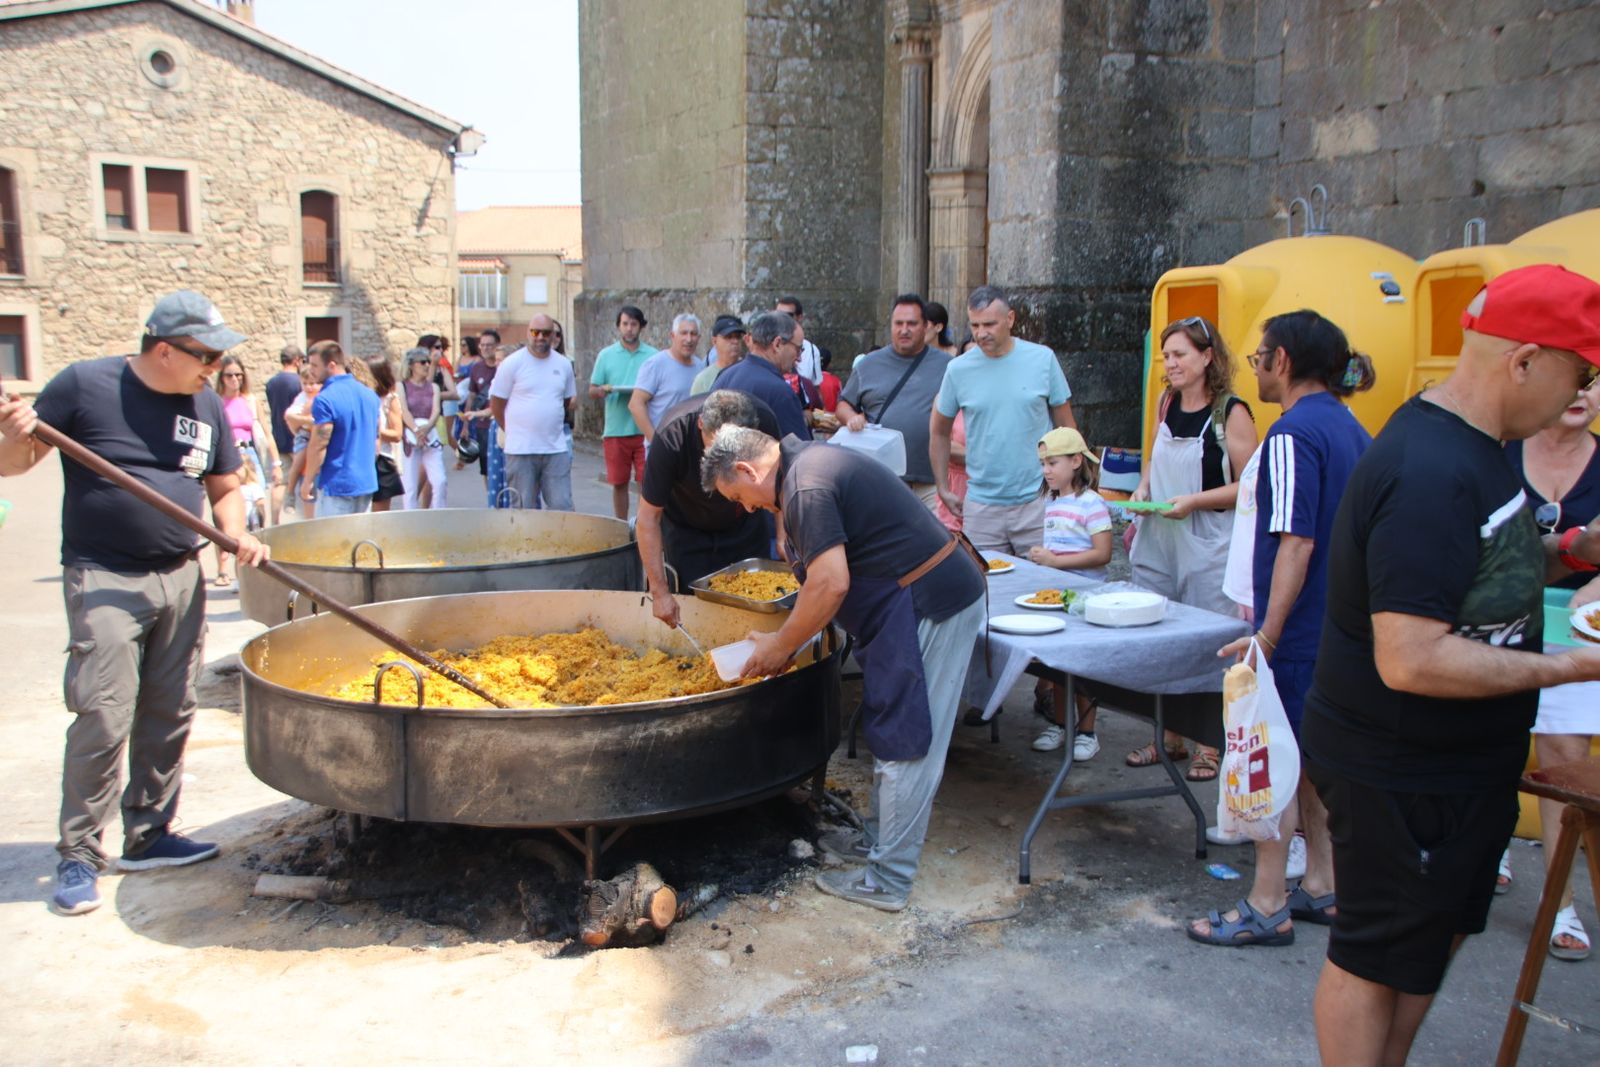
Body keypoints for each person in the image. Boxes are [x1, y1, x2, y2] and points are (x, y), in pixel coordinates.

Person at [1300, 265, 1600, 1066]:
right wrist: (1574, 668)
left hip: (1453, 767)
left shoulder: (1477, 445)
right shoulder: (1431, 467)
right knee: (1375, 957)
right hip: (1402, 767)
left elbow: (1472, 561)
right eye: (1585, 371)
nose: (1586, 392)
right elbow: (1411, 656)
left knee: (1423, 946)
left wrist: (1570, 550)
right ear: (1526, 360)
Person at [0, 290, 268, 916]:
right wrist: (13, 436)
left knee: (171, 708)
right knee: (103, 711)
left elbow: (224, 484)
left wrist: (238, 531)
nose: (216, 367)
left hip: (181, 573)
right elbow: (16, 463)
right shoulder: (84, 386)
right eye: (207, 355)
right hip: (105, 578)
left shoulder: (203, 401)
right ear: (166, 349)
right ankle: (80, 854)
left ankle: (149, 834)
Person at [702, 425, 986, 912]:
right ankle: (876, 840)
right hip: (902, 603)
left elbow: (830, 583)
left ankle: (888, 879)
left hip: (927, 603)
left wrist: (781, 648)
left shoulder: (806, 485)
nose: (746, 508)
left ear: (749, 469)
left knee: (908, 738)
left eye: (739, 495)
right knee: (890, 726)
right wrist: (780, 638)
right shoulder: (804, 469)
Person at [1187, 310, 1374, 949]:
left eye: (1262, 355)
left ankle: (1268, 902)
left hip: (1298, 631)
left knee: (1272, 764)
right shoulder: (1350, 425)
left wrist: (1266, 636)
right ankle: (1322, 882)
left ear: (1283, 362)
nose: (1257, 365)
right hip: (1339, 627)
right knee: (1311, 762)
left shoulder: (1292, 435)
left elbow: (1296, 540)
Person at [1125, 315, 1258, 783]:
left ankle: (1211, 744)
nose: (1171, 364)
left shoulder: (1231, 412)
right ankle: (1168, 737)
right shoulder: (1166, 402)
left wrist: (1196, 501)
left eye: (1180, 354)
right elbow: (1152, 460)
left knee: (1213, 644)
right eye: (1167, 356)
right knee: (1164, 639)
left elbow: (1249, 487)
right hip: (1163, 538)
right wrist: (1143, 489)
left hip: (1209, 542)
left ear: (1207, 357)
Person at [1498, 376, 1600, 961]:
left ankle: (1559, 902)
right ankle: (1495, 848)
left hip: (1577, 642)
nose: (1582, 393)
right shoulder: (1500, 454)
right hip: (1499, 632)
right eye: (1574, 380)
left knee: (1564, 759)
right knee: (1496, 747)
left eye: (1595, 383)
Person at [930, 286, 1075, 554]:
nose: (981, 333)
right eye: (975, 325)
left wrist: (1069, 484)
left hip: (1038, 500)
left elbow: (1066, 426)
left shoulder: (1042, 359)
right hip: (981, 505)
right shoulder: (958, 369)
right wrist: (942, 487)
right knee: (987, 589)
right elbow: (939, 431)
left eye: (989, 324)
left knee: (1044, 588)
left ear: (1010, 319)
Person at [638, 389, 783, 627]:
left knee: (756, 605)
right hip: (688, 530)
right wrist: (660, 593)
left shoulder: (763, 419)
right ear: (700, 424)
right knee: (698, 614)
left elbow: (780, 479)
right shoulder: (671, 436)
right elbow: (647, 518)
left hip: (744, 525)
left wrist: (783, 535)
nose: (724, 461)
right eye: (716, 448)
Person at [1026, 427, 1113, 756]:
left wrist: (1054, 561)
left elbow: (1102, 553)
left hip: (1086, 599)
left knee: (1083, 667)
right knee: (1058, 666)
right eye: (1043, 464)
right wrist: (1044, 560)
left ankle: (1087, 732)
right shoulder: (1052, 502)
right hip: (1058, 596)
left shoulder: (1092, 503)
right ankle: (1060, 725)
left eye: (1053, 463)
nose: (1046, 470)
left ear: (1077, 461)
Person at [837, 294, 952, 508]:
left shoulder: (948, 366)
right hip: (881, 479)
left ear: (926, 326)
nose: (904, 329)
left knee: (933, 541)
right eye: (898, 323)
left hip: (932, 482)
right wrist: (851, 418)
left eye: (912, 323)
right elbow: (843, 404)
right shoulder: (868, 365)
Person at [490, 314, 577, 511]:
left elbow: (565, 401)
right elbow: (497, 403)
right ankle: (522, 543)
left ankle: (557, 543)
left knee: (562, 506)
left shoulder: (563, 365)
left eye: (545, 333)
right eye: (535, 332)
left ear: (553, 336)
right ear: (528, 333)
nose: (540, 337)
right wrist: (510, 429)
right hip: (521, 449)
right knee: (522, 508)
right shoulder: (512, 363)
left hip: (555, 448)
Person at [212, 354, 279, 586]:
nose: (234, 380)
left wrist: (276, 463)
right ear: (221, 378)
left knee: (255, 512)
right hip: (227, 457)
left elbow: (265, 432)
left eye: (238, 375)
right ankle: (223, 568)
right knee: (226, 511)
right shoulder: (216, 401)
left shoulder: (250, 400)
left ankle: (253, 571)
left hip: (250, 457)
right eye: (229, 375)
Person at [589, 305, 656, 519]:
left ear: (641, 327)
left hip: (644, 428)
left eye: (633, 324)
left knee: (647, 483)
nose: (629, 329)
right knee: (619, 482)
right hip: (616, 429)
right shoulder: (606, 355)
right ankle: (620, 523)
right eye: (625, 324)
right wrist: (602, 390)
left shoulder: (653, 355)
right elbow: (592, 389)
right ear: (619, 326)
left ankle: (643, 525)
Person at [301, 340, 379, 516]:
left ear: (331, 365)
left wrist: (308, 480)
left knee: (333, 542)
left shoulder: (325, 399)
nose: (311, 370)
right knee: (361, 541)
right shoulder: (369, 395)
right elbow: (375, 441)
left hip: (337, 483)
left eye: (315, 365)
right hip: (366, 482)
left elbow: (319, 444)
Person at [717, 310, 813, 442]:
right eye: (798, 349)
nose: (799, 358)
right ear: (777, 344)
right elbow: (798, 453)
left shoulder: (725, 376)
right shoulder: (780, 392)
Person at [629, 314, 706, 443]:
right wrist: (655, 441)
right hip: (663, 448)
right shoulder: (656, 365)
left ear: (699, 338)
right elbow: (635, 404)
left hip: (690, 448)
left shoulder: (700, 367)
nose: (689, 339)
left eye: (693, 334)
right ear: (672, 336)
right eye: (683, 333)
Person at [400, 347, 448, 510]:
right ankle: (410, 520)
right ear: (412, 365)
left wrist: (426, 429)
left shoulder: (433, 387)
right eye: (422, 362)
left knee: (440, 480)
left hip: (430, 436)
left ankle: (439, 515)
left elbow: (436, 410)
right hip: (411, 437)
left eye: (428, 361)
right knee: (410, 486)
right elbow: (404, 410)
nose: (427, 365)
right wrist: (415, 430)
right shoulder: (402, 386)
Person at [264, 345, 303, 523]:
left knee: (279, 483)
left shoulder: (272, 383)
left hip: (278, 437)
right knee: (303, 480)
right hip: (296, 438)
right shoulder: (299, 382)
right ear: (296, 360)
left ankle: (274, 521)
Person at [364, 354, 405, 513]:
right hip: (364, 457)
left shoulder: (389, 399)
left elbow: (396, 433)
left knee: (379, 514)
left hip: (382, 460)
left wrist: (374, 431)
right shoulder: (363, 396)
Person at [459, 329, 500, 479]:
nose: (485, 348)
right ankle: (492, 500)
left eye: (489, 345)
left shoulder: (505, 366)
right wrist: (465, 426)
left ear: (497, 345)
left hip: (503, 425)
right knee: (486, 469)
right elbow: (472, 397)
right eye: (482, 345)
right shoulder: (477, 368)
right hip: (483, 425)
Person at [283, 365, 320, 519]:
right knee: (298, 461)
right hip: (304, 435)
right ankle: (290, 492)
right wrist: (307, 420)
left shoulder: (321, 395)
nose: (308, 387)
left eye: (312, 383)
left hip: (312, 435)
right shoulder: (301, 398)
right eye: (305, 383)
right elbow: (289, 416)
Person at [692, 314, 746, 396]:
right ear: (714, 341)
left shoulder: (748, 371)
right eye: (728, 337)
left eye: (738, 337)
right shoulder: (703, 379)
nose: (735, 341)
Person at [775, 295, 823, 386]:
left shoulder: (811, 350)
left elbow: (816, 388)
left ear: (799, 317)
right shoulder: (766, 346)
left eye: (787, 315)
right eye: (778, 314)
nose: (782, 319)